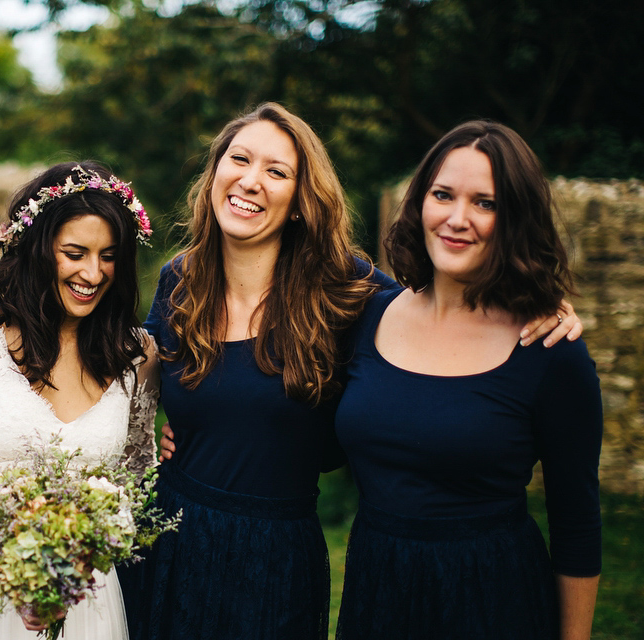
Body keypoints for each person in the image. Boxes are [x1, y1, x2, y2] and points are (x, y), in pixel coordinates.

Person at [132, 103, 582, 640]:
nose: (251, 181)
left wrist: (535, 302)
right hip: (170, 533)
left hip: (275, 555)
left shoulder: (349, 292)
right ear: (215, 175)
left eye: (277, 172)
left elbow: (443, 311)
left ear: (300, 203)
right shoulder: (179, 281)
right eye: (240, 159)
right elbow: (124, 376)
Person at [333, 120, 601, 639]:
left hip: (491, 600)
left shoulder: (549, 350)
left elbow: (577, 525)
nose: (457, 219)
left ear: (515, 219)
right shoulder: (366, 315)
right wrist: (194, 429)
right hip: (377, 594)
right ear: (420, 202)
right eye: (443, 194)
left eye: (486, 203)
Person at [0, 161, 159, 640]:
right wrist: (17, 567)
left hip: (83, 599)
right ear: (38, 249)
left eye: (108, 256)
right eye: (74, 252)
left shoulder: (136, 355)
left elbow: (132, 484)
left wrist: (77, 558)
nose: (93, 272)